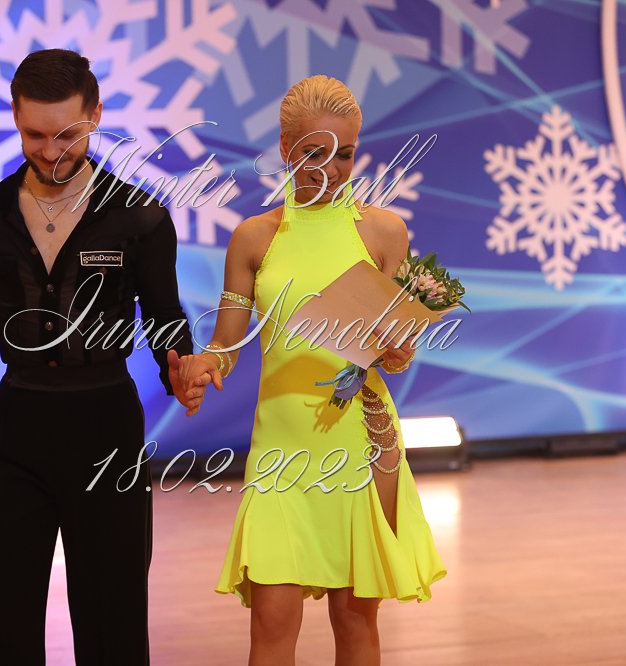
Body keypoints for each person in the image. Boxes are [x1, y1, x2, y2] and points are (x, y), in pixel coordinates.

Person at [167, 75, 448, 665]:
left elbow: (393, 347)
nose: (332, 168)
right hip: (282, 451)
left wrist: (397, 351)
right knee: (271, 624)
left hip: (361, 444)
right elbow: (227, 343)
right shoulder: (253, 239)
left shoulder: (384, 232)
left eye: (345, 154)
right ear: (286, 147)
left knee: (356, 621)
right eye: (316, 152)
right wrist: (203, 366)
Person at [0, 48, 201, 665]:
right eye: (35, 135)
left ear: (95, 115)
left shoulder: (140, 216)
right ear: (15, 116)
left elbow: (164, 315)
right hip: (16, 425)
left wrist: (180, 369)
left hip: (107, 428)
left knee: (113, 608)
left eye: (67, 134)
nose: (51, 151)